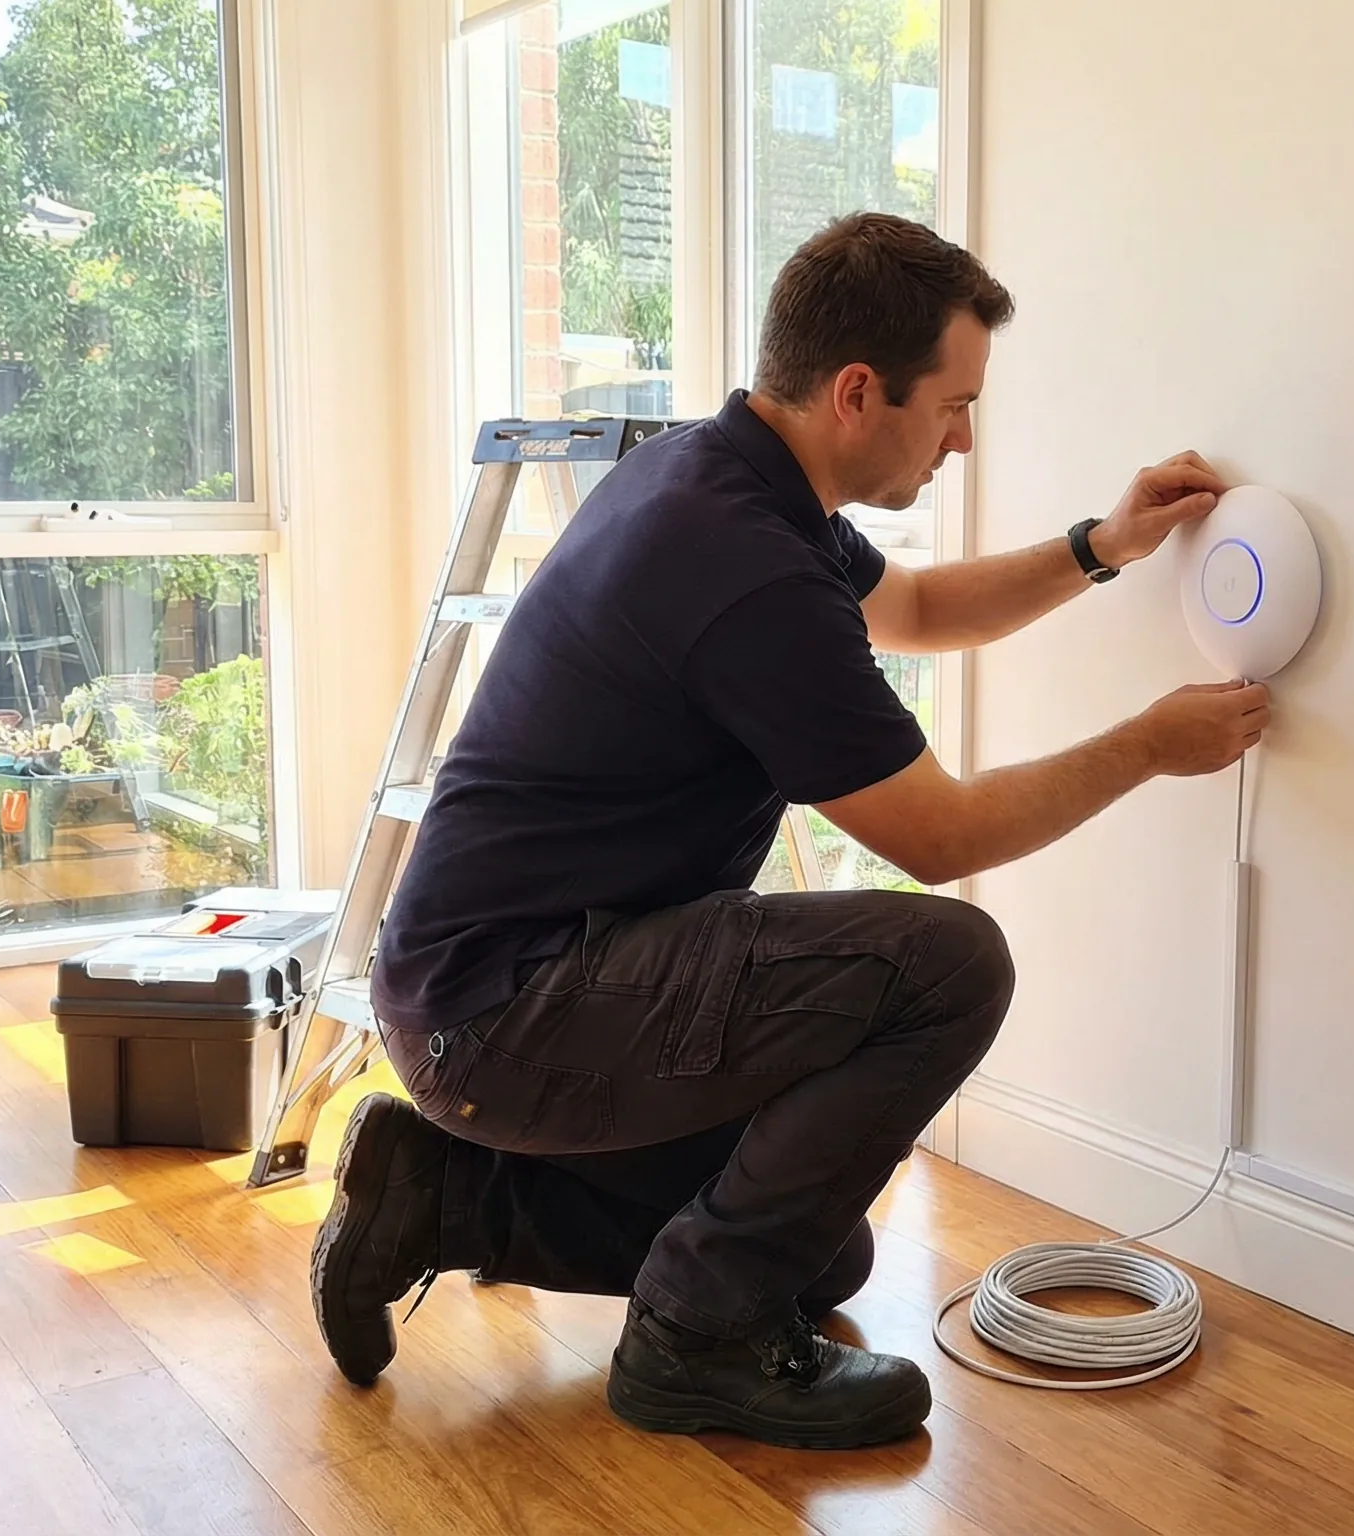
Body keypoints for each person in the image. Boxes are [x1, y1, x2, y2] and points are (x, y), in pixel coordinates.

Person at [311, 211, 1270, 1450]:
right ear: (859, 392)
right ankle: (689, 1347)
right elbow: (943, 838)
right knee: (951, 961)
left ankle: (441, 1199)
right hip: (508, 1012)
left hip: (489, 989)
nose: (965, 438)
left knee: (824, 1257)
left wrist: (1105, 545)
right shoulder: (738, 561)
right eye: (953, 405)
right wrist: (1148, 744)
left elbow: (917, 607)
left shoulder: (722, 478)